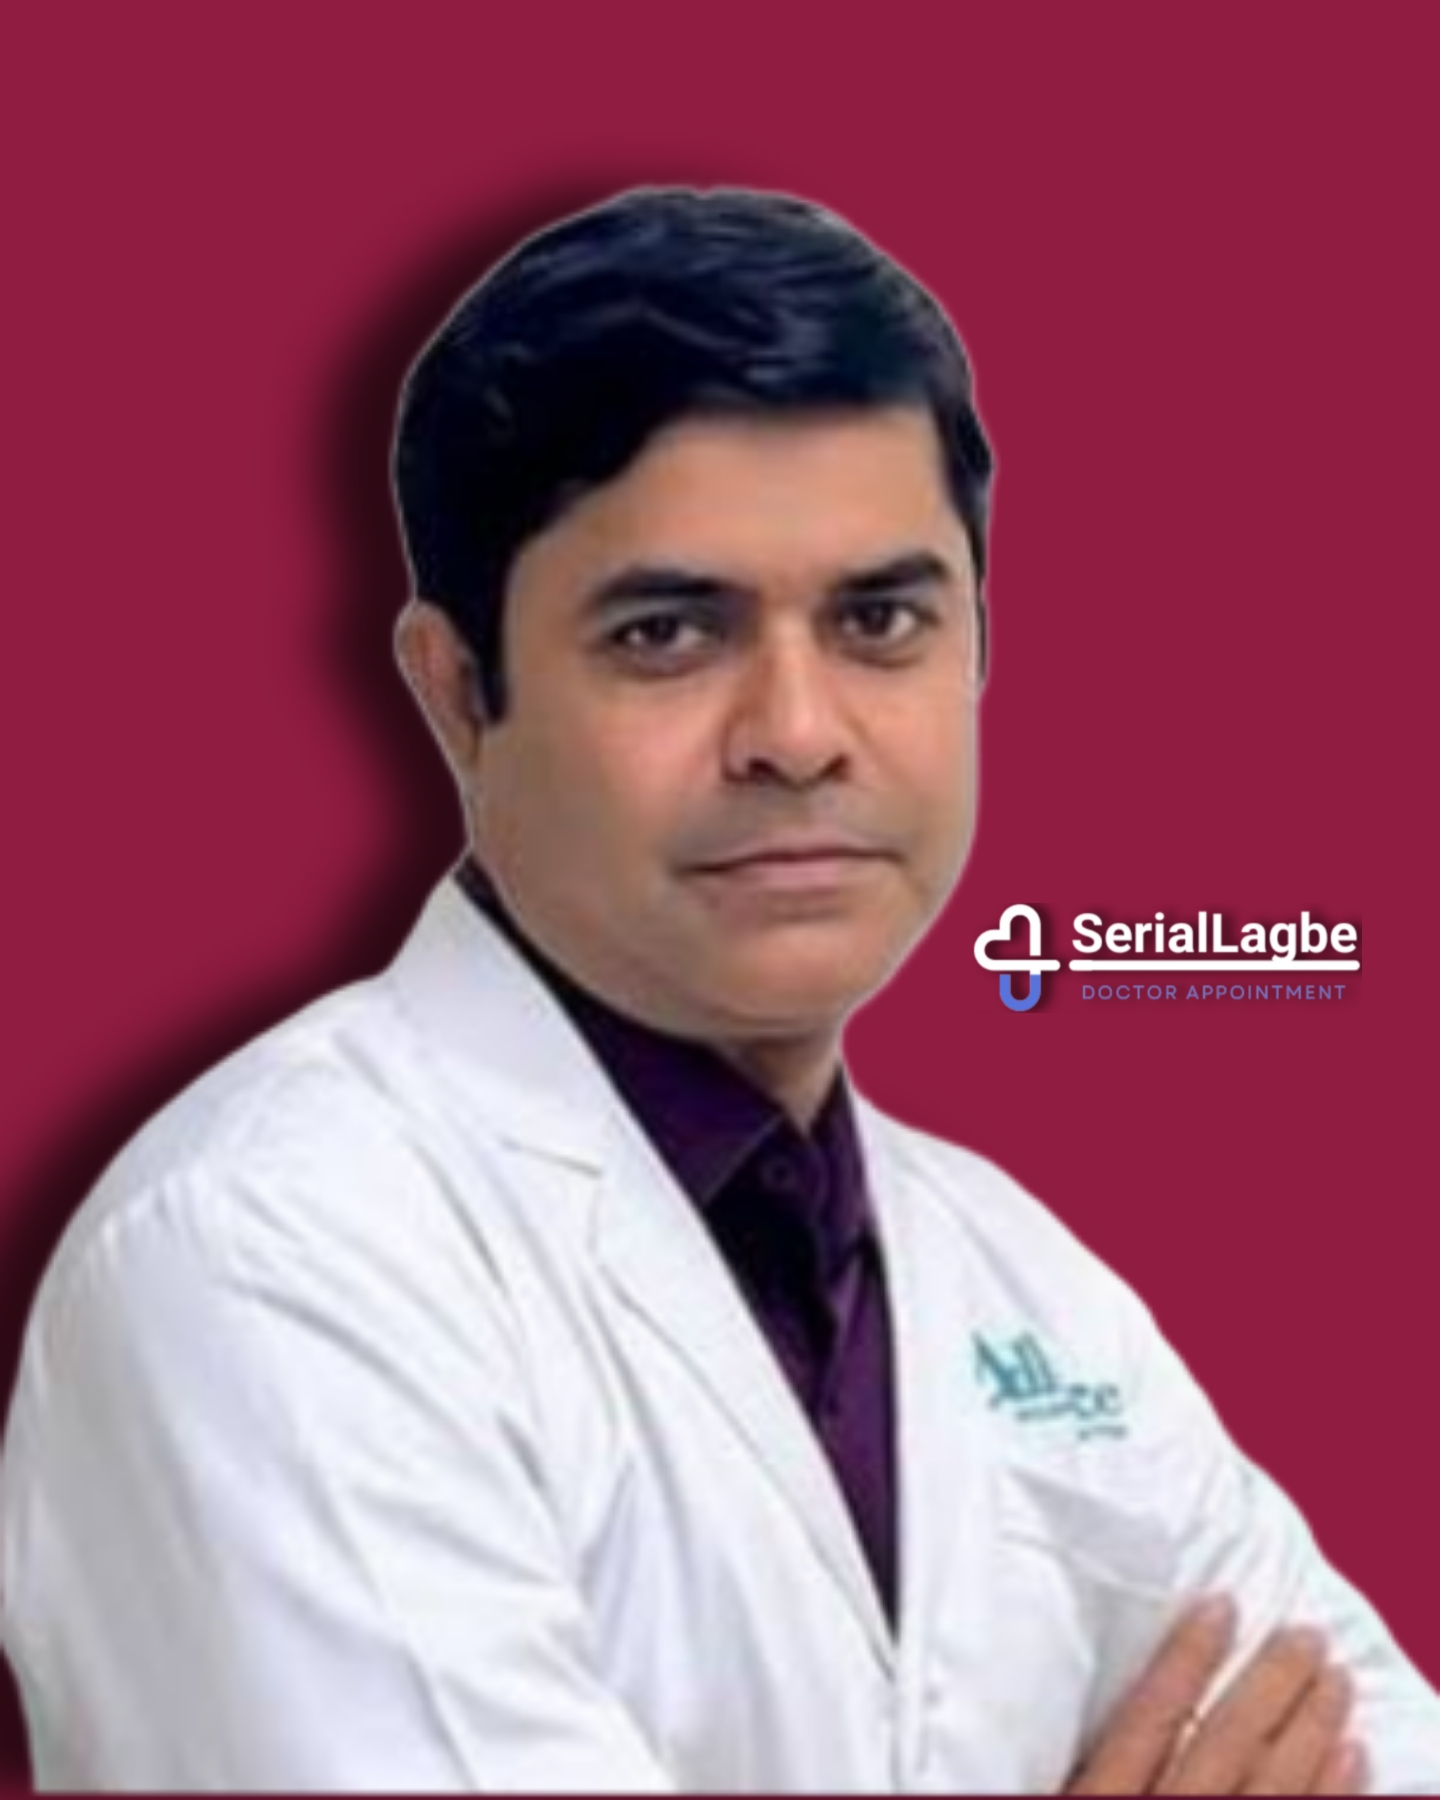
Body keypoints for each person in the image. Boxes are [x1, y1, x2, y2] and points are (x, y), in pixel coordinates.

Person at [0, 186, 1435, 1794]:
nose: (798, 734)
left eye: (880, 619)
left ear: (977, 647)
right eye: (669, 633)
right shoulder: (265, 1253)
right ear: (459, 693)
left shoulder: (1027, 1286)